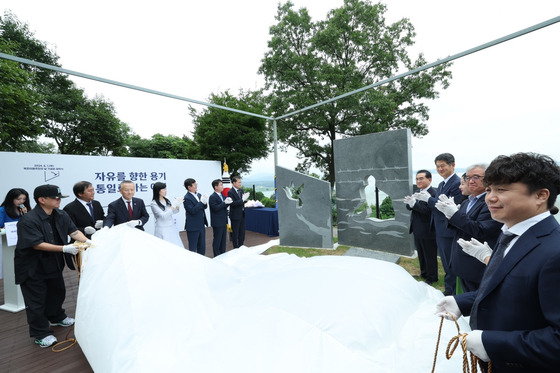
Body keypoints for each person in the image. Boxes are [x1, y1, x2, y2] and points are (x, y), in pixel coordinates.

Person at [436, 152, 560, 372]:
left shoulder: (554, 251)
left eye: (501, 190)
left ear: (541, 195)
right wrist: (463, 302)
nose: (490, 197)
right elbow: (512, 290)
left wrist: (491, 343)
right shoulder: (511, 233)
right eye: (490, 189)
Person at [14, 184, 91, 348]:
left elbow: (74, 232)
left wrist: (89, 242)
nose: (59, 201)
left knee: (57, 291)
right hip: (32, 267)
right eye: (56, 198)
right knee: (36, 301)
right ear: (42, 200)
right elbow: (37, 244)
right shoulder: (28, 220)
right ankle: (41, 333)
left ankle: (56, 317)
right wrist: (64, 248)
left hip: (53, 263)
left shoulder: (61, 214)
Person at [435, 164, 502, 292]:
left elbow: (481, 230)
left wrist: (455, 215)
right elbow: (459, 227)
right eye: (468, 177)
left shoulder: (491, 203)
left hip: (476, 264)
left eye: (476, 177)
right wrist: (450, 215)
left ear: (488, 179)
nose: (470, 181)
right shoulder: (467, 201)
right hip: (460, 259)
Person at [414, 153, 461, 295]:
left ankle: (451, 292)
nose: (440, 169)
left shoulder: (457, 183)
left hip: (448, 229)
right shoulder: (442, 184)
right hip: (438, 229)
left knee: (450, 263)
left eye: (443, 166)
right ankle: (449, 290)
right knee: (446, 263)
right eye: (438, 166)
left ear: (452, 165)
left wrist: (429, 200)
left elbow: (445, 206)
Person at [404, 170, 438, 285]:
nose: (418, 181)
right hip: (417, 228)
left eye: (421, 178)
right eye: (417, 179)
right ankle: (424, 273)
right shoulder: (417, 191)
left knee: (430, 255)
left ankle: (432, 277)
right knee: (421, 254)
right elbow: (410, 207)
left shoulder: (433, 194)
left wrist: (414, 204)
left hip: (428, 230)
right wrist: (410, 203)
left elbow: (429, 212)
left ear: (429, 179)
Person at [150, 182, 184, 248]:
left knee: (175, 246)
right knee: (165, 247)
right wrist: (173, 206)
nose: (166, 191)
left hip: (171, 227)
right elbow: (163, 216)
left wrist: (178, 205)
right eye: (163, 189)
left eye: (165, 189)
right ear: (158, 191)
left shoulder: (167, 200)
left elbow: (174, 212)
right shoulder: (153, 203)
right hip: (162, 229)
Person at [183, 178, 208, 255]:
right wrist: (201, 202)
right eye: (194, 185)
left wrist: (205, 202)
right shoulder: (186, 198)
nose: (196, 186)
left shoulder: (199, 194)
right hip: (193, 226)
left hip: (201, 225)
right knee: (193, 248)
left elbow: (204, 207)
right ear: (189, 187)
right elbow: (193, 211)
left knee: (202, 247)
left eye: (196, 184)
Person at [209, 179, 232, 257]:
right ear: (216, 187)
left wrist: (228, 202)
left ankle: (223, 254)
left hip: (223, 221)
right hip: (217, 222)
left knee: (223, 240)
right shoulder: (212, 197)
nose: (223, 186)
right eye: (221, 185)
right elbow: (215, 208)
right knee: (217, 239)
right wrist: (224, 203)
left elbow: (224, 206)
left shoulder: (222, 195)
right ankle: (217, 255)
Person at [228, 175, 249, 249]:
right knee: (235, 233)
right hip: (235, 215)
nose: (240, 184)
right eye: (239, 182)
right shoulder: (230, 192)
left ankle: (241, 246)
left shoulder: (241, 190)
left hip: (242, 214)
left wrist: (246, 200)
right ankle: (235, 247)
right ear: (233, 183)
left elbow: (242, 201)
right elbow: (232, 203)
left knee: (242, 232)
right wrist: (242, 200)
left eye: (240, 182)